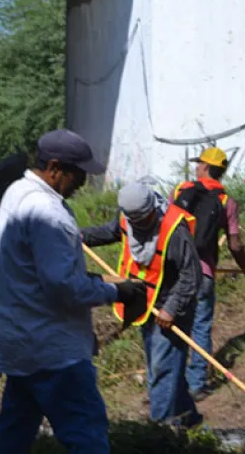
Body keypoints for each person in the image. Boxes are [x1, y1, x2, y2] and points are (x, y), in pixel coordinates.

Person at [0, 129, 145, 454]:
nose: (83, 182)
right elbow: (64, 287)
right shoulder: (46, 212)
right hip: (52, 351)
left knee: (11, 439)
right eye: (79, 174)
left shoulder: (17, 194)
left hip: (25, 342)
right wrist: (119, 291)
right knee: (88, 438)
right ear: (55, 168)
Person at [82, 182, 203, 428]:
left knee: (162, 370)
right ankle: (189, 421)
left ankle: (158, 433)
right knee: (165, 368)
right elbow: (111, 232)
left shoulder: (173, 228)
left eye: (143, 218)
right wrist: (79, 236)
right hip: (144, 303)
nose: (137, 224)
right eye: (132, 219)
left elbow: (191, 276)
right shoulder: (128, 218)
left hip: (171, 308)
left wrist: (172, 307)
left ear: (152, 209)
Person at [173, 147, 245, 401]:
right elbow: (235, 244)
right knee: (200, 328)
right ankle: (196, 385)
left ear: (205, 167)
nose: (197, 167)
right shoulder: (226, 202)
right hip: (203, 275)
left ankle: (172, 385)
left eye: (199, 164)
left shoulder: (179, 192)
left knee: (173, 327)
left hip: (174, 273)